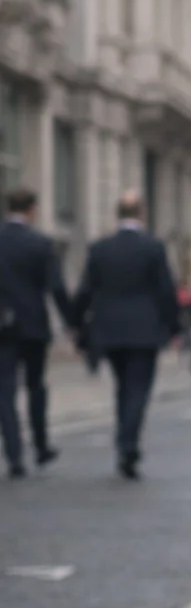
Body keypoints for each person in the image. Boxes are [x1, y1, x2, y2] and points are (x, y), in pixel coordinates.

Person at [73, 191, 179, 478]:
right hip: (145, 329)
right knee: (138, 388)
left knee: (122, 386)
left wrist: (76, 323)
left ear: (117, 214)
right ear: (141, 214)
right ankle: (128, 442)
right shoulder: (153, 247)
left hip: (109, 328)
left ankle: (124, 439)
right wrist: (173, 326)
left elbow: (86, 290)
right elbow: (166, 291)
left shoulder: (100, 248)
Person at [0, 187, 74, 477]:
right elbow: (56, 287)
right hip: (33, 325)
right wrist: (71, 322)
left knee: (4, 390)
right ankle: (41, 444)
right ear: (32, 209)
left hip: (3, 327)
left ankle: (14, 453)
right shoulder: (41, 243)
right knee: (35, 386)